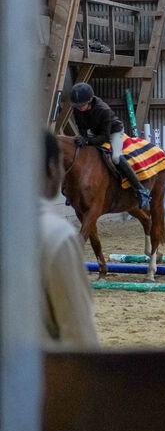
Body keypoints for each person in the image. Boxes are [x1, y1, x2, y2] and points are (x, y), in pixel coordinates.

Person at [40, 130, 100, 347]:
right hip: (41, 374)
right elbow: (79, 335)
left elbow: (108, 130)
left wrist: (91, 139)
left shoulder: (100, 110)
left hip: (108, 140)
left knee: (117, 159)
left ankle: (137, 187)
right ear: (52, 169)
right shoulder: (57, 235)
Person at [69, 82, 150, 210]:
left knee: (116, 157)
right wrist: (83, 139)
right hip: (95, 133)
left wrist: (88, 141)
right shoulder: (77, 109)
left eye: (82, 105)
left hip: (113, 132)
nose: (79, 108)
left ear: (89, 101)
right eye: (77, 106)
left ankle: (141, 190)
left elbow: (104, 138)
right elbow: (82, 129)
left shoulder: (103, 110)